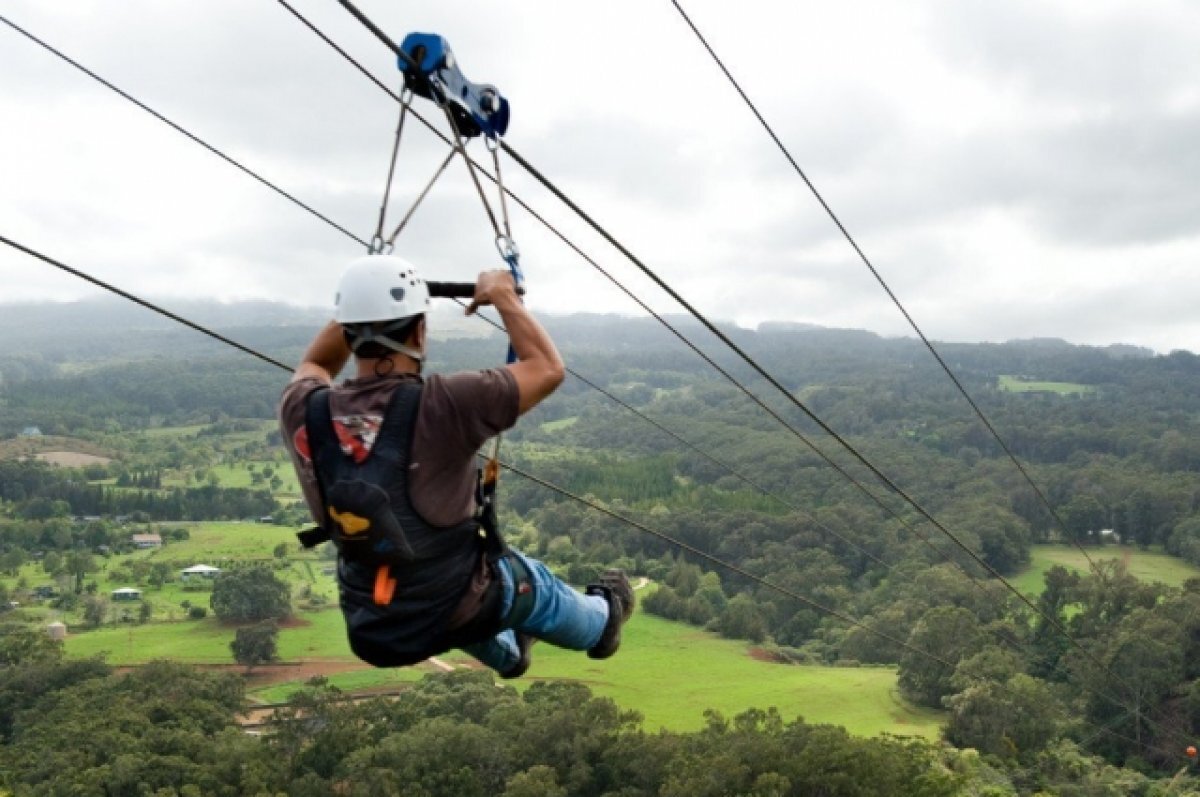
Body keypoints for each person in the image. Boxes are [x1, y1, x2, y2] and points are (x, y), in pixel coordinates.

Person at [278, 255, 633, 678]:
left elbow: (316, 364)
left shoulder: (303, 408)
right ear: (420, 330)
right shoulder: (444, 403)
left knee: (442, 589)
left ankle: (511, 654)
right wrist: (503, 295)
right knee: (527, 583)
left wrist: (360, 304)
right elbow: (547, 368)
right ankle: (603, 622)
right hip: (456, 602)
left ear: (348, 329)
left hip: (373, 622)